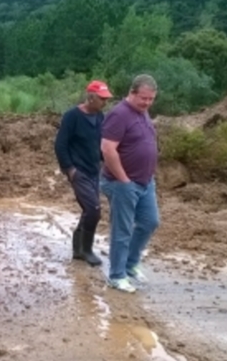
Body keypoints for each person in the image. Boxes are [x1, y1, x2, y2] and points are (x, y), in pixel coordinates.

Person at [100, 74, 160, 293]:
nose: (147, 103)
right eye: (143, 98)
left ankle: (130, 263)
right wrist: (123, 180)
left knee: (150, 222)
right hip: (122, 183)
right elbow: (107, 148)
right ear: (132, 92)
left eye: (151, 99)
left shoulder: (142, 113)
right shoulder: (119, 114)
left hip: (145, 183)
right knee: (122, 230)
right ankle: (117, 275)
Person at [54, 80, 113, 266]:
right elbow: (60, 144)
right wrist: (69, 169)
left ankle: (78, 249)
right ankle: (86, 250)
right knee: (94, 210)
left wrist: (108, 162)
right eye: (102, 98)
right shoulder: (72, 116)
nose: (105, 102)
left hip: (93, 170)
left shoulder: (99, 117)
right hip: (78, 171)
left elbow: (99, 144)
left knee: (89, 210)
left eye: (106, 99)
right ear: (90, 97)